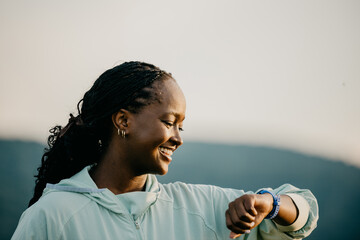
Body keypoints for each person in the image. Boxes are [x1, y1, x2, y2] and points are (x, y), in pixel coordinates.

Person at [12, 61, 318, 240]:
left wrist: (269, 204)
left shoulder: (204, 209)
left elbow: (304, 214)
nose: (177, 138)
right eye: (169, 122)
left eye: (180, 127)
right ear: (123, 120)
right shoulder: (52, 217)